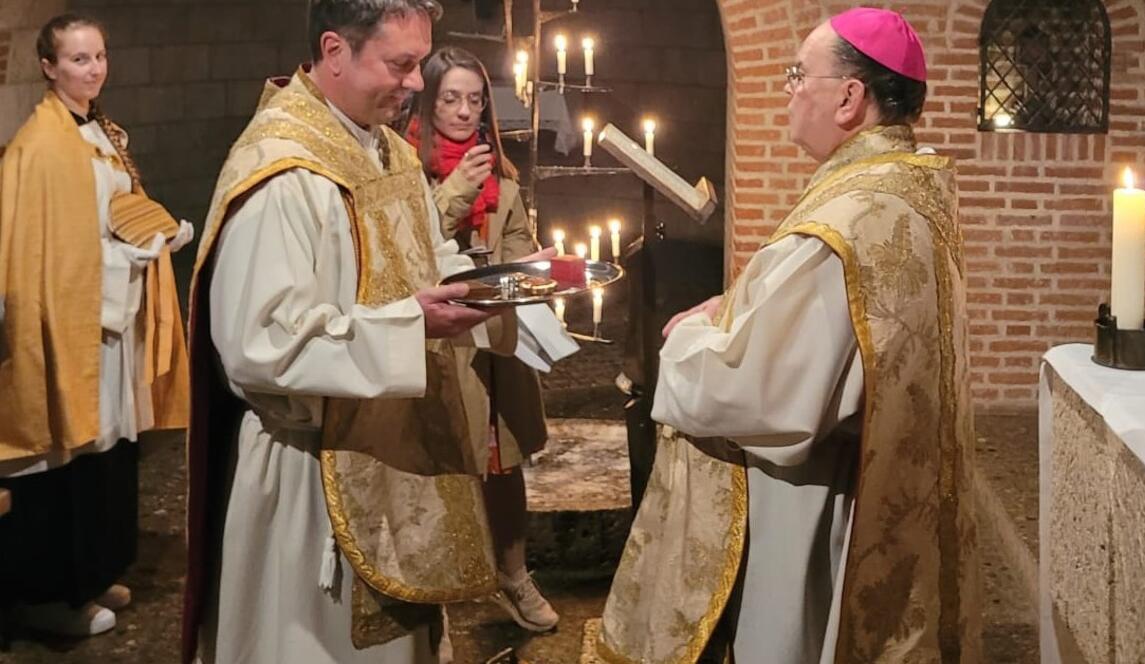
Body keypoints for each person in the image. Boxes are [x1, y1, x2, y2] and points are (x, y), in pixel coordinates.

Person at [597, 8, 980, 663]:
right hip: (875, 488)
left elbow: (765, 394)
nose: (789, 90)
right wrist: (742, 302)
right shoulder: (908, 191)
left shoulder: (848, 218)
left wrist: (687, 344)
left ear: (849, 97)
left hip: (817, 501)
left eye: (799, 75)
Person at [182, 2, 550, 662]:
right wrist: (414, 326)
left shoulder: (384, 150)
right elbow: (258, 343)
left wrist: (493, 287)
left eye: (418, 63)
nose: (416, 83)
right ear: (335, 51)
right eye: (401, 64)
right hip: (310, 469)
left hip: (392, 446)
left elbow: (423, 256)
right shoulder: (284, 172)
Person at [0, 14, 191, 637]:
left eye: (100, 56)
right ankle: (47, 595)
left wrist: (150, 235)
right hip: (68, 325)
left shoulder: (96, 131)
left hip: (109, 320)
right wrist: (128, 256)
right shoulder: (40, 146)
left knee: (108, 447)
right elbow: (42, 254)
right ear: (48, 67)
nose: (94, 68)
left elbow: (111, 212)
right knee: (64, 454)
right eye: (79, 59)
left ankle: (93, 569)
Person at [404, 45, 558, 633]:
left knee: (503, 464)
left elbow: (517, 252)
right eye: (451, 98)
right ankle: (429, 599)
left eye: (474, 100)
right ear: (428, 100)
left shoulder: (504, 178)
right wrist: (453, 194)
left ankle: (514, 577)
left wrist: (540, 270)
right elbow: (409, 245)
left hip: (493, 343)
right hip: (433, 345)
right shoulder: (404, 169)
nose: (464, 112)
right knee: (436, 465)